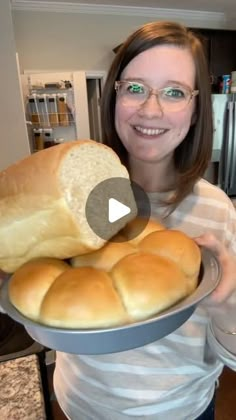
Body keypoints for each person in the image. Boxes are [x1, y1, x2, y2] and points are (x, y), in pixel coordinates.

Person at [53, 21, 236, 419]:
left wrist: (226, 306)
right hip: (83, 406)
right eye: (135, 88)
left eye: (174, 92)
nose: (151, 109)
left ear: (195, 109)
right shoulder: (72, 196)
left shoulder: (219, 211)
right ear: (113, 97)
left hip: (183, 410)